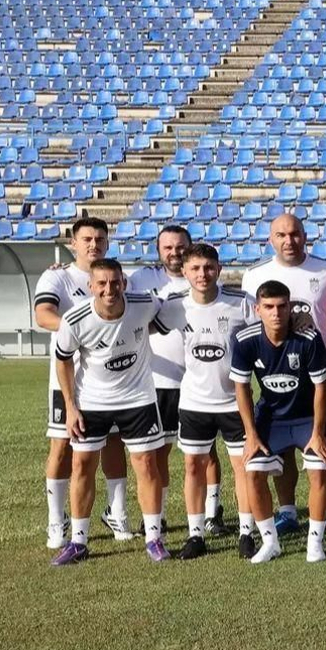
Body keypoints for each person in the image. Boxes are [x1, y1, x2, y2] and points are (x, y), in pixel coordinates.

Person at [49, 259, 172, 565]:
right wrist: (71, 405)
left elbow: (172, 312)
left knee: (146, 465)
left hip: (138, 398)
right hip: (92, 402)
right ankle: (78, 541)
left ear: (124, 283)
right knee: (82, 466)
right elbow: (63, 359)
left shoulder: (145, 304)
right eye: (101, 283)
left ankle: (154, 538)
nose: (109, 289)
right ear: (90, 286)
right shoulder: (75, 319)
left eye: (115, 282)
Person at [240, 213, 326, 536]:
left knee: (324, 443)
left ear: (306, 236)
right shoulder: (254, 277)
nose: (289, 241)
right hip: (276, 372)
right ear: (270, 239)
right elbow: (253, 323)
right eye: (281, 235)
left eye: (294, 234)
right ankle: (287, 510)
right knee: (284, 446)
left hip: (318, 373)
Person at [36, 217, 131, 547]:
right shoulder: (58, 276)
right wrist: (81, 328)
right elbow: (43, 314)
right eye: (87, 239)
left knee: (115, 445)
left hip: (111, 381)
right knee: (62, 447)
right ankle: (56, 520)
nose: (94, 244)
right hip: (68, 381)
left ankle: (117, 512)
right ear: (72, 244)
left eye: (100, 239)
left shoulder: (115, 277)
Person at [228, 280, 326, 564]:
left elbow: (322, 388)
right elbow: (242, 388)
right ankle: (270, 542)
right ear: (257, 308)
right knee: (252, 471)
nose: (276, 313)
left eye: (282, 306)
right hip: (271, 419)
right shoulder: (244, 340)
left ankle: (315, 543)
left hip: (306, 419)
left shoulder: (308, 339)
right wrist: (251, 434)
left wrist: (318, 433)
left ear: (290, 308)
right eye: (269, 307)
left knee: (319, 470)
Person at [158, 244, 251, 560]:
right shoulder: (174, 307)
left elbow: (272, 325)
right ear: (184, 271)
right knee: (193, 467)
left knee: (244, 469)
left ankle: (246, 532)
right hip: (195, 402)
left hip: (235, 403)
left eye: (208, 267)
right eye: (195, 268)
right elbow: (137, 320)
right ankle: (196, 534)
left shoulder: (241, 304)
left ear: (219, 269)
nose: (202, 274)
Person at [128, 225, 192, 530]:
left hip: (199, 381)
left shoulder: (202, 274)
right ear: (158, 251)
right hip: (159, 381)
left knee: (204, 453)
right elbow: (104, 288)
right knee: (159, 450)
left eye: (180, 246)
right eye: (167, 247)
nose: (174, 252)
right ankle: (159, 515)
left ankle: (212, 512)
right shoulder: (141, 279)